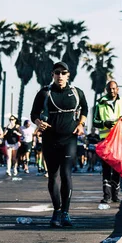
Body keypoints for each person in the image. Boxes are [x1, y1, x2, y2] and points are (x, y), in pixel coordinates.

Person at [30, 61, 88, 228]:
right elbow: (34, 113)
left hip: (69, 138)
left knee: (66, 174)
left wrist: (81, 124)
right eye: (57, 72)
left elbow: (85, 109)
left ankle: (66, 213)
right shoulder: (45, 93)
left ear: (68, 74)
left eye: (63, 73)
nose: (60, 76)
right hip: (50, 138)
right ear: (52, 75)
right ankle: (56, 210)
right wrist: (38, 122)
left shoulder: (76, 92)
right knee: (53, 175)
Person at [92, 80, 122, 204]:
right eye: (109, 89)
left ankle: (115, 194)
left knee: (117, 167)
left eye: (114, 88)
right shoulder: (100, 103)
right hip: (106, 140)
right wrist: (105, 123)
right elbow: (95, 121)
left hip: (120, 140)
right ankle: (107, 195)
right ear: (106, 89)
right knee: (106, 167)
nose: (112, 91)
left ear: (117, 89)